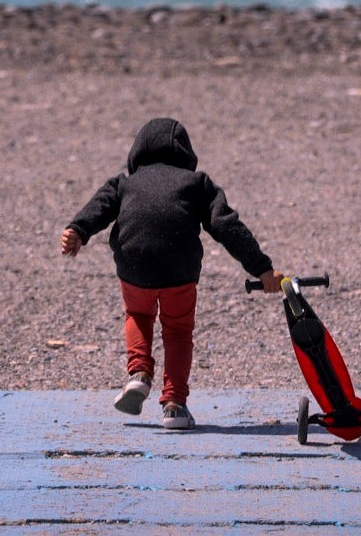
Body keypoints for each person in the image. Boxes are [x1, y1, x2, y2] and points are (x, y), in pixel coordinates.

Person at [60, 118, 281, 430]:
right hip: (180, 268)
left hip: (134, 263)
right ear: (187, 155)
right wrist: (262, 268)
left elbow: (98, 208)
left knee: (138, 313)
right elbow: (225, 226)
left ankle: (139, 374)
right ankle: (175, 405)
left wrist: (77, 231)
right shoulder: (197, 184)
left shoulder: (124, 183)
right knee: (177, 331)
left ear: (137, 151)